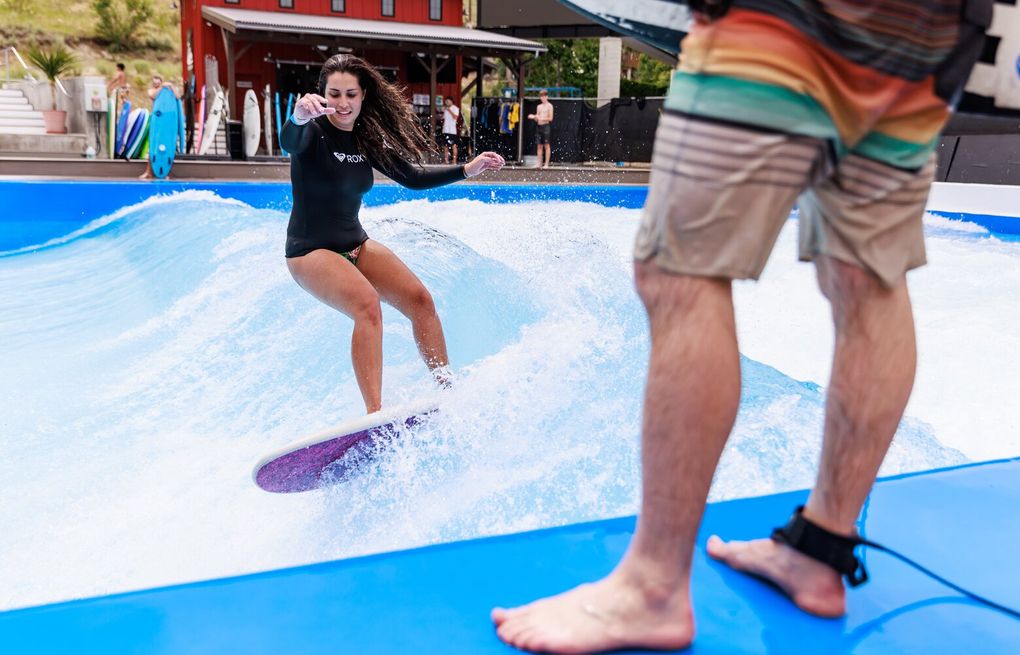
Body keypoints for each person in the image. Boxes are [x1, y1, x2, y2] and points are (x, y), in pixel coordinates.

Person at [492, 1, 989, 652]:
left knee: (680, 269)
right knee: (869, 276)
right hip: (926, 24)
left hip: (786, 13)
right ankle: (821, 547)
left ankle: (652, 586)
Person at [281, 54, 505, 413]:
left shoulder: (365, 138)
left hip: (356, 243)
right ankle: (375, 416)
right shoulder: (311, 131)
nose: (342, 103)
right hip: (310, 252)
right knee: (367, 305)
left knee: (420, 301)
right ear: (322, 94)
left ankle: (449, 392)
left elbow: (412, 178)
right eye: (334, 94)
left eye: (350, 94)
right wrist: (298, 116)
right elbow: (289, 142)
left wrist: (467, 169)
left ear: (363, 94)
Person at [139, 75, 174, 180]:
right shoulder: (153, 91)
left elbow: (177, 97)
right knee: (153, 146)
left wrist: (171, 87)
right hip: (156, 120)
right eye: (154, 83)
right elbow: (153, 96)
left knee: (167, 147)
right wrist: (162, 87)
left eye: (158, 83)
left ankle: (164, 172)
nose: (156, 84)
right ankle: (148, 172)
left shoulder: (167, 92)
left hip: (165, 121)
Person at [526, 90, 553, 168]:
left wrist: (538, 117)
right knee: (539, 146)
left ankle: (546, 164)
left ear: (547, 97)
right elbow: (537, 118)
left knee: (546, 145)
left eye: (544, 96)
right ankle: (539, 163)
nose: (543, 98)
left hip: (546, 127)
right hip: (539, 127)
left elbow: (550, 118)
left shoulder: (549, 106)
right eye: (541, 96)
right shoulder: (539, 106)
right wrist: (534, 117)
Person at [441, 96, 460, 164]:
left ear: (451, 101)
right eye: (446, 101)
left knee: (453, 145)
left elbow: (455, 117)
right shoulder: (445, 109)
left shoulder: (455, 108)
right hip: (445, 129)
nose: (447, 102)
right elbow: (443, 118)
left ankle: (454, 160)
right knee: (445, 146)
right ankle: (446, 160)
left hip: (452, 130)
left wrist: (449, 110)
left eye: (448, 101)